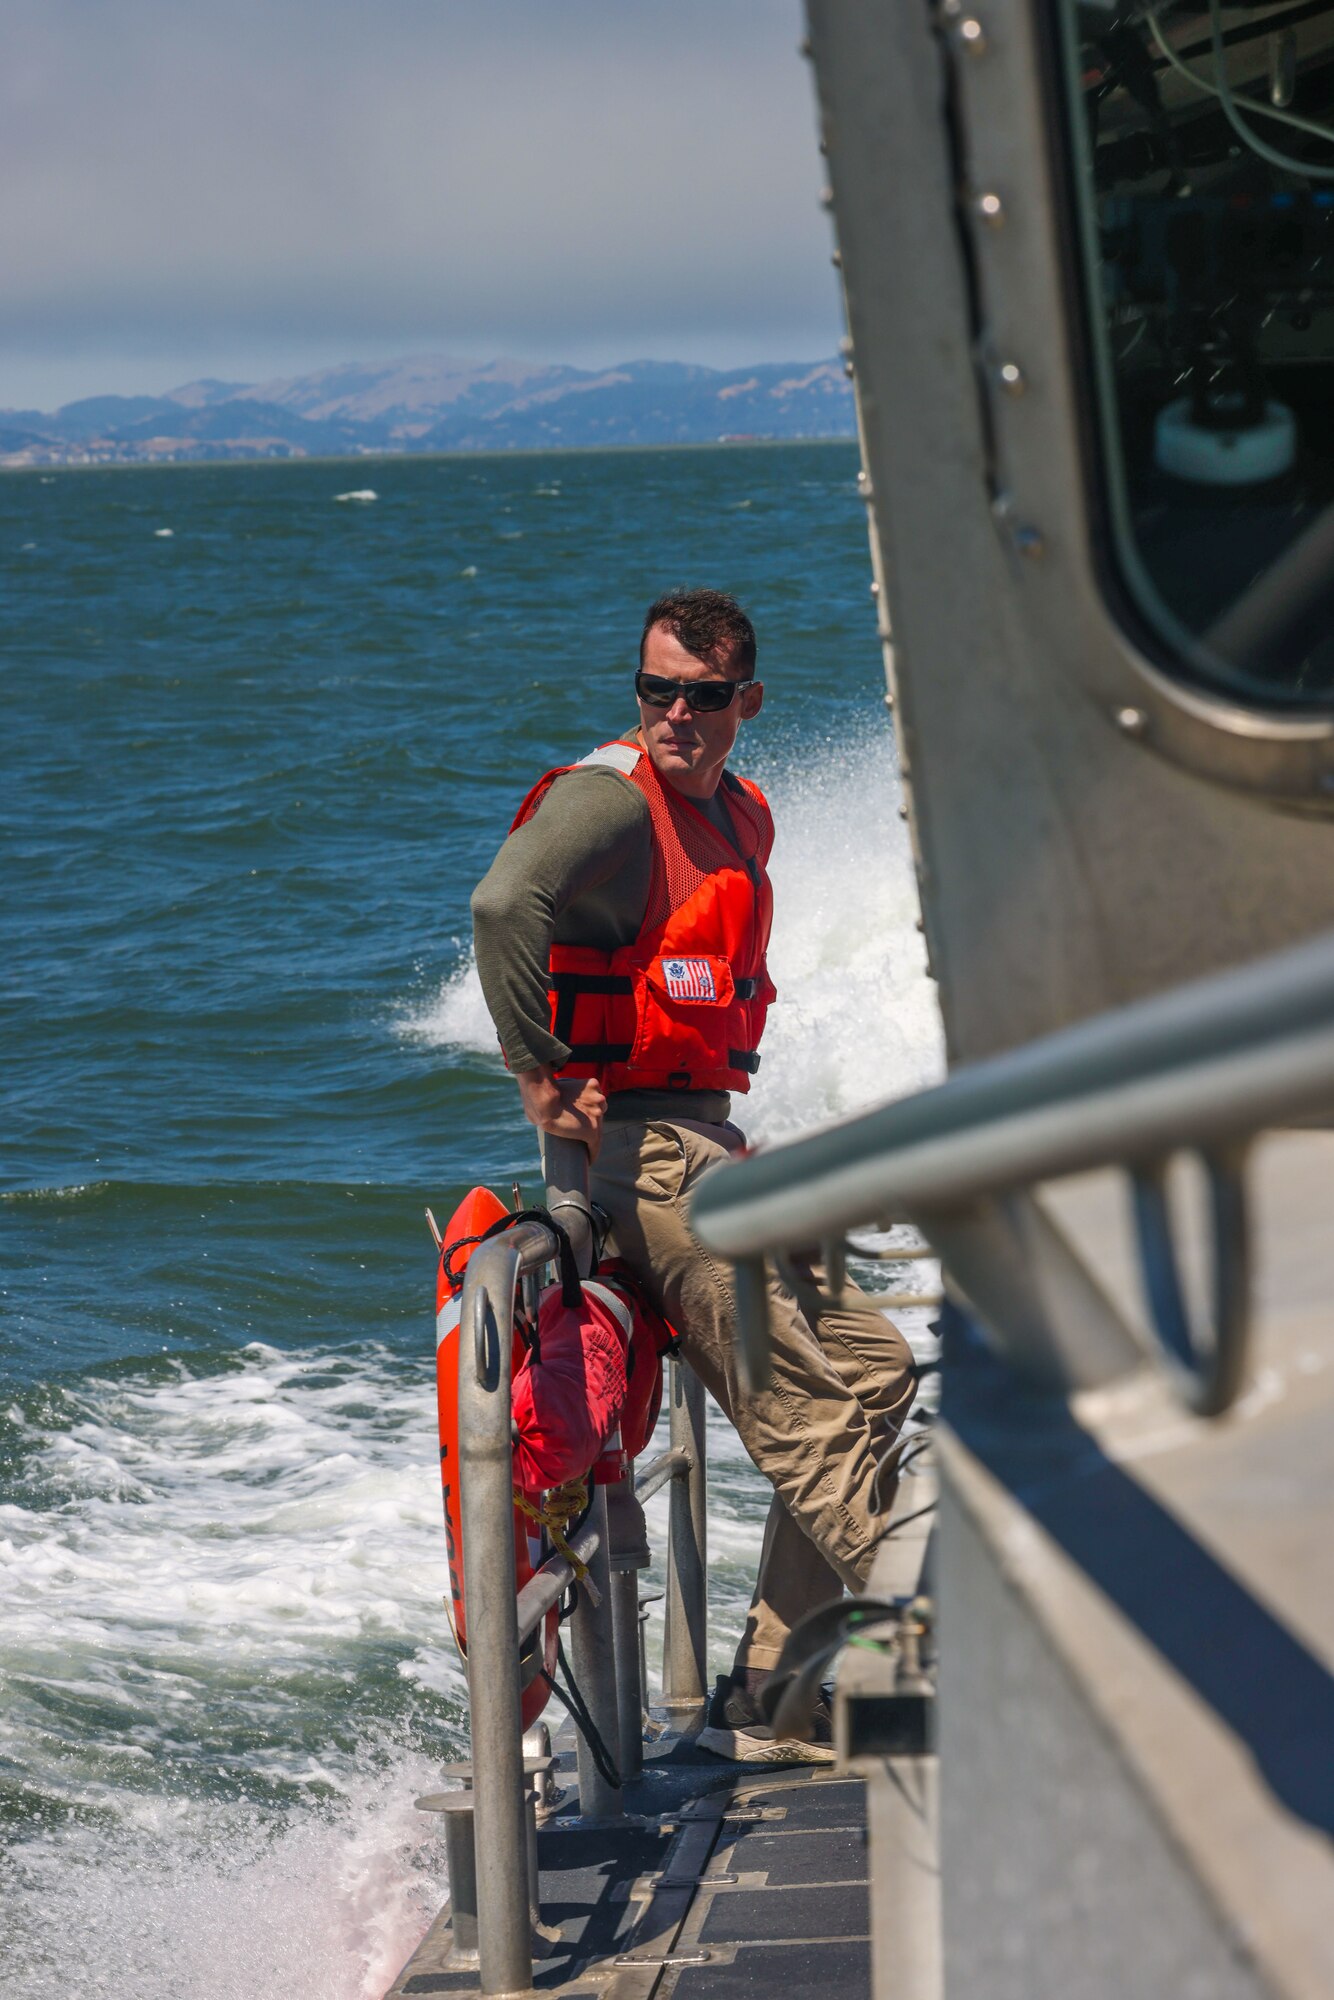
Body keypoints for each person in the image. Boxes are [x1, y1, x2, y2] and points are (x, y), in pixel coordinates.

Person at [471, 587, 916, 1761]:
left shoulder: (739, 814)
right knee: (809, 1414)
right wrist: (537, 1073)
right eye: (655, 688)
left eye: (703, 695)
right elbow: (502, 903)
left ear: (744, 703)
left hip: (705, 1147)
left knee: (874, 1365)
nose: (675, 713)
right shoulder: (606, 801)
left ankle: (777, 1676)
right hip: (643, 1161)